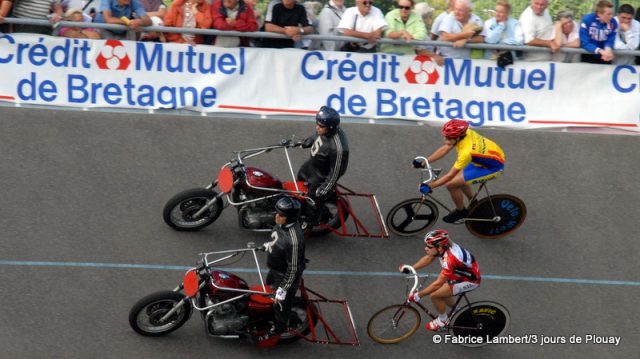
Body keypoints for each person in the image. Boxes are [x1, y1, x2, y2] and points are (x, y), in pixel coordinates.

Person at [413, 119, 505, 224]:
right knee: (458, 180)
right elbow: (446, 148)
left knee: (451, 185)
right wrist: (424, 162)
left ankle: (461, 211)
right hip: (488, 158)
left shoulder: (466, 152)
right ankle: (474, 202)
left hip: (493, 168)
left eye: (449, 138)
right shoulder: (465, 133)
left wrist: (430, 186)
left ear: (458, 137)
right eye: (445, 136)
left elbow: (450, 175)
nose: (445, 140)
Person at [399, 229, 480, 331]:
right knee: (443, 293)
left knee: (435, 296)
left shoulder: (450, 260)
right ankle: (457, 312)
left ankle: (442, 321)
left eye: (429, 247)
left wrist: (418, 295)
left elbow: (437, 284)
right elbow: (429, 258)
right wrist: (411, 268)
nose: (426, 248)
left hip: (470, 280)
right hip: (459, 275)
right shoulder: (444, 247)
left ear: (440, 247)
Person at [297, 106, 349, 227]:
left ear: (330, 127)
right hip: (311, 166)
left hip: (320, 176)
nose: (317, 127)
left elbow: (336, 172)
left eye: (320, 126)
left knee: (314, 198)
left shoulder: (338, 149)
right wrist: (307, 141)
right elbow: (317, 136)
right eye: (317, 123)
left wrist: (324, 189)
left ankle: (309, 222)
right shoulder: (325, 129)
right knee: (299, 188)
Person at [263, 196, 306, 337]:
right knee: (267, 295)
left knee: (280, 306)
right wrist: (268, 245)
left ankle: (278, 329)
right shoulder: (281, 223)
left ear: (290, 217)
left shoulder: (294, 240)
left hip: (284, 277)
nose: (276, 216)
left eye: (280, 215)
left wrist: (282, 290)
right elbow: (276, 238)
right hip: (274, 269)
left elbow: (293, 269)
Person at [580, 0, 618, 64]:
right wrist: (600, 51)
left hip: (605, 56)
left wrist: (608, 48)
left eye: (612, 14)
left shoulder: (613, 23)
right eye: (608, 14)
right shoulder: (587, 20)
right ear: (599, 14)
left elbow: (611, 39)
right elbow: (584, 42)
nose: (611, 16)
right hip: (588, 55)